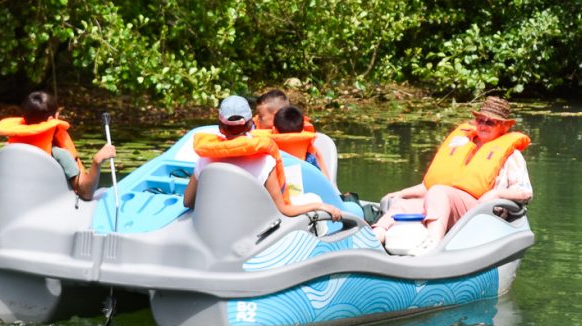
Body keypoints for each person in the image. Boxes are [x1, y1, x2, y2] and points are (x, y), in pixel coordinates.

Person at [374, 95, 532, 255]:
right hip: (445, 202)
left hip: (482, 212)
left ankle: (433, 244)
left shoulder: (511, 155)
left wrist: (495, 193)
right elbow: (427, 186)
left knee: (439, 192)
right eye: (480, 120)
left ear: (504, 127)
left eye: (490, 122)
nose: (483, 125)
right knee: (404, 205)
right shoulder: (463, 144)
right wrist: (401, 193)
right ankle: (374, 238)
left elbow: (525, 192)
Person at [183, 95, 354, 224]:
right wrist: (320, 206)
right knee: (314, 198)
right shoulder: (265, 162)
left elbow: (188, 201)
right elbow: (284, 209)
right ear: (251, 124)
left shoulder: (204, 161)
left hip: (220, 226)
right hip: (254, 228)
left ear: (220, 127)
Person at [0, 90, 116, 201]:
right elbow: (85, 193)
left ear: (25, 118)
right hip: (48, 209)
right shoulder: (59, 154)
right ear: (52, 118)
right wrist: (97, 160)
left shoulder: (9, 149)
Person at [257, 88, 339, 184]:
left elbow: (325, 181)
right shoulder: (305, 142)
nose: (257, 120)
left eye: (260, 116)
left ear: (277, 115)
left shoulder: (308, 151)